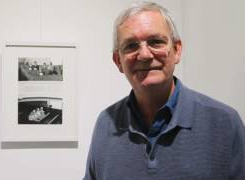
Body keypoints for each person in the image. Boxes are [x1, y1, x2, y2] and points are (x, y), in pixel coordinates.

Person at [83, 2, 245, 180]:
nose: (144, 55)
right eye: (131, 45)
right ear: (118, 61)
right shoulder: (106, 123)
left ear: (176, 50)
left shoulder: (224, 123)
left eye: (156, 41)